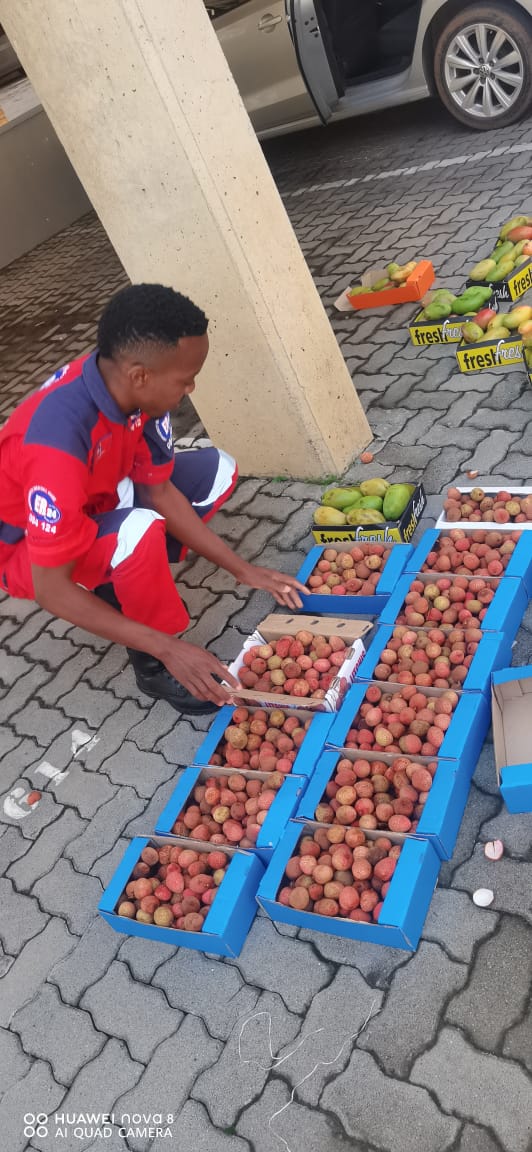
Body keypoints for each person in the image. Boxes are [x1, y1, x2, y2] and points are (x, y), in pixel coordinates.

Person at [0, 283, 306, 714]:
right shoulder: (57, 443)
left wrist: (244, 571)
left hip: (96, 497)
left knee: (216, 470)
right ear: (140, 375)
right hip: (29, 551)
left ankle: (123, 581)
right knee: (138, 532)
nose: (192, 388)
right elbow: (51, 589)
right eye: (185, 380)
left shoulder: (134, 393)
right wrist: (167, 648)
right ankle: (151, 665)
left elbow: (159, 489)